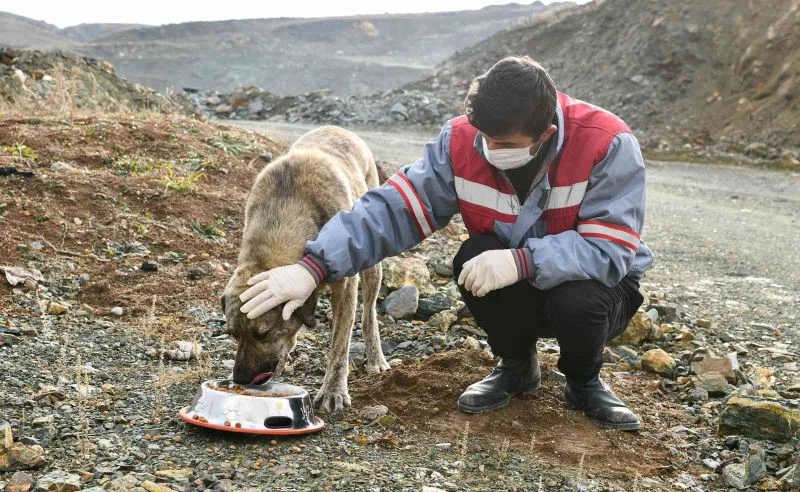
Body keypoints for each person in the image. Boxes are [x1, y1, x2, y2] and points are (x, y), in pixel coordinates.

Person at [238, 56, 653, 430]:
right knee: (472, 259)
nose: (489, 152)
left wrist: (523, 261)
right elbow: (393, 209)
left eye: (505, 145)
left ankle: (584, 381)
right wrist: (312, 267)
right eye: (484, 138)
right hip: (521, 282)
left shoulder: (606, 143)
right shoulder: (461, 141)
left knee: (578, 299)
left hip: (599, 289)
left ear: (545, 133)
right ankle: (516, 368)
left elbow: (609, 251)